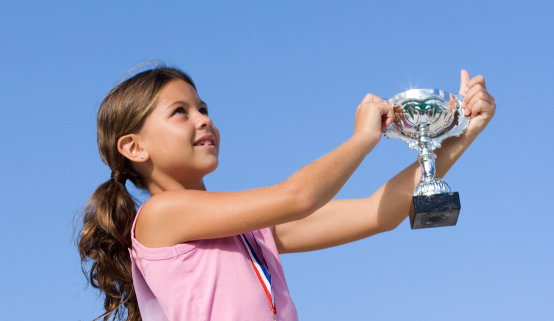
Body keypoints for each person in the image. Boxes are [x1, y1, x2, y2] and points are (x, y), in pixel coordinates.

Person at [77, 63, 496, 321]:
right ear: (135, 147)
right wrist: (362, 139)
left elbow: (377, 213)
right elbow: (299, 196)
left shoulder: (252, 233)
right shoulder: (160, 216)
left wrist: (462, 134)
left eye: (203, 108)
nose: (203, 120)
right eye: (180, 112)